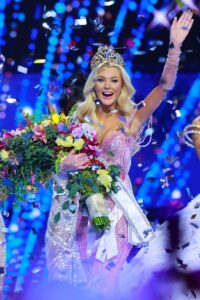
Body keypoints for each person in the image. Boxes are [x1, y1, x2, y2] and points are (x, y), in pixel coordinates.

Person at [45, 10, 196, 299]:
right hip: (83, 212)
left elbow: (164, 86)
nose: (107, 86)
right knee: (81, 280)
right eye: (101, 80)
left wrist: (174, 46)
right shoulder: (76, 121)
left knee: (106, 279)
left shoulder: (132, 119)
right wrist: (63, 165)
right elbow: (54, 165)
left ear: (122, 84)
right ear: (93, 84)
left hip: (117, 213)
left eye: (114, 81)